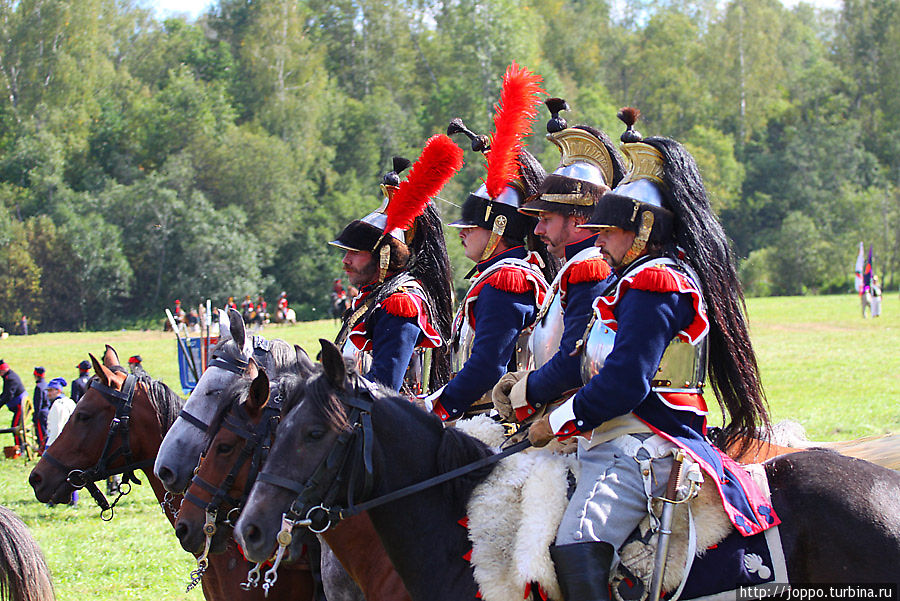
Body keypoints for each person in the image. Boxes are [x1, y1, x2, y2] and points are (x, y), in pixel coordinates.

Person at [527, 108, 778, 600]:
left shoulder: (655, 281)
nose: (597, 239)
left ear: (640, 229)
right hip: (617, 435)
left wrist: (556, 421)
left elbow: (624, 382)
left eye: (607, 231)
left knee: (575, 542)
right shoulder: (631, 280)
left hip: (645, 439)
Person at [422, 63, 557, 422]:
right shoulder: (499, 275)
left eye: (470, 226)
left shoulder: (506, 281)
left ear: (499, 227)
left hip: (494, 423)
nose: (462, 232)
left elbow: (486, 367)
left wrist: (431, 408)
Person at [492, 98, 625, 423]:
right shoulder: (574, 269)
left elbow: (572, 363)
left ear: (578, 221)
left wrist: (523, 392)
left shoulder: (589, 269)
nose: (537, 229)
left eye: (547, 219)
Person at [330, 135, 462, 395]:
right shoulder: (375, 299)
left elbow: (384, 384)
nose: (345, 261)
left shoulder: (400, 304)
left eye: (355, 253)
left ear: (384, 257)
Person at [45, 377, 78, 506]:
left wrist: (52, 447)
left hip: (57, 444)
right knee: (72, 473)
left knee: (52, 474)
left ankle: (52, 500)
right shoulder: (70, 402)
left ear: (58, 390)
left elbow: (57, 428)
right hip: (71, 443)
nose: (48, 393)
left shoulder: (58, 405)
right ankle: (73, 500)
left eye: (51, 391)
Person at [0, 361, 26, 449]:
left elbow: (9, 395)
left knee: (15, 428)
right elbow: (5, 393)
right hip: (16, 404)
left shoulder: (11, 378)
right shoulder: (7, 377)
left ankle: (19, 448)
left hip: (19, 406)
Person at [32, 367, 48, 452]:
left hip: (41, 414)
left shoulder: (38, 387)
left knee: (41, 434)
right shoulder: (46, 384)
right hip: (47, 412)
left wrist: (35, 417)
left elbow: (38, 404)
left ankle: (42, 450)